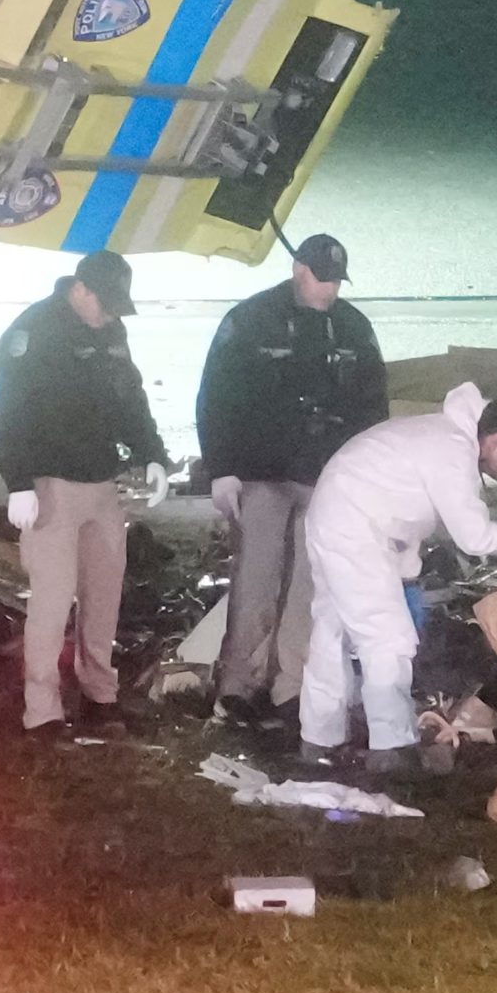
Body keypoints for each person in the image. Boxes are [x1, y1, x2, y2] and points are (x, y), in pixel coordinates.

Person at [196, 233, 388, 726]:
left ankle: (290, 689)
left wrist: (367, 478)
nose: (331, 290)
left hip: (325, 480)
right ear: (298, 269)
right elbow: (216, 396)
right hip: (261, 474)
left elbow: (374, 409)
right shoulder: (250, 319)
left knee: (307, 588)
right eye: (323, 279)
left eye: (337, 281)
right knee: (255, 581)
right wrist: (221, 469)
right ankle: (239, 686)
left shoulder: (353, 327)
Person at [300, 384, 497, 774]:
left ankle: (319, 740)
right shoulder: (453, 450)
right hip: (356, 528)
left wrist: (407, 574)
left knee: (333, 632)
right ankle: (393, 751)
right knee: (386, 638)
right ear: (496, 440)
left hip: (333, 514)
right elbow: (475, 538)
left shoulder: (437, 434)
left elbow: (404, 507)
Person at [0, 250, 171, 733]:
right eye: (105, 304)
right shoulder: (33, 331)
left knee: (103, 597)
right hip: (51, 482)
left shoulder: (112, 331)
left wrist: (152, 453)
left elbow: (129, 397)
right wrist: (18, 482)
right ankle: (42, 710)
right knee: (51, 602)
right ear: (80, 290)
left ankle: (99, 694)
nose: (110, 315)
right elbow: (10, 412)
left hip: (101, 483)